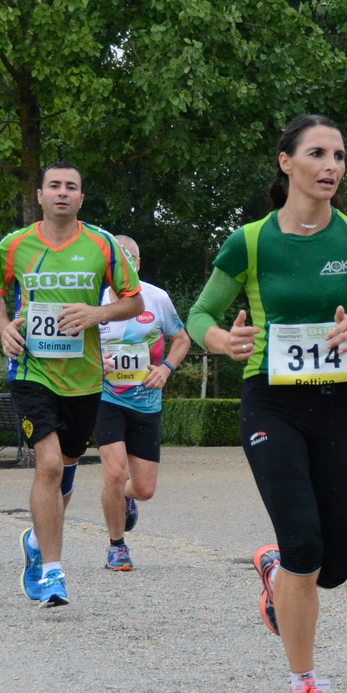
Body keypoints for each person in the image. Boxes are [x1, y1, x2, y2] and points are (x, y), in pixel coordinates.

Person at [188, 114, 347, 693]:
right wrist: (220, 340)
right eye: (317, 154)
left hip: (338, 403)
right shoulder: (250, 241)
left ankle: (275, 570)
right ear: (286, 163)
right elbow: (200, 313)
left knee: (330, 569)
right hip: (271, 402)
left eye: (339, 155)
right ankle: (303, 687)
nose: (331, 166)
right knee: (305, 546)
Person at [0, 161, 142, 607]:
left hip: (85, 376)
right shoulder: (16, 244)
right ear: (40, 195)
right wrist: (2, 327)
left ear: (81, 198)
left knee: (67, 462)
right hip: (32, 370)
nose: (63, 193)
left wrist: (98, 313)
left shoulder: (102, 245)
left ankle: (36, 537)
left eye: (72, 186)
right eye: (54, 185)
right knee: (48, 464)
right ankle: (52, 572)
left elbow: (134, 300)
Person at [92, 235, 189, 571]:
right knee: (115, 473)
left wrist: (166, 368)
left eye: (130, 257)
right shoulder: (94, 299)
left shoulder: (156, 297)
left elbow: (182, 338)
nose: (125, 263)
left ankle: (123, 499)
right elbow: (72, 344)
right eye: (118, 257)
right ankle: (117, 546)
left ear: (138, 263)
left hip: (146, 401)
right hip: (105, 397)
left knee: (144, 489)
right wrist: (94, 362)